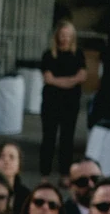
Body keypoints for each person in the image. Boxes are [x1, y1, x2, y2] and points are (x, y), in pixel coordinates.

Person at [38, 22, 88, 175]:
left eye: (68, 35)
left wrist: (57, 81)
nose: (64, 38)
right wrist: (71, 81)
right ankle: (44, 172)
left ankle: (64, 172)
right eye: (62, 35)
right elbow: (48, 79)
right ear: (57, 36)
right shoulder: (48, 55)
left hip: (70, 103)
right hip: (51, 103)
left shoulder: (78, 54)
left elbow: (83, 76)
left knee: (67, 139)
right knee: (49, 138)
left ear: (72, 37)